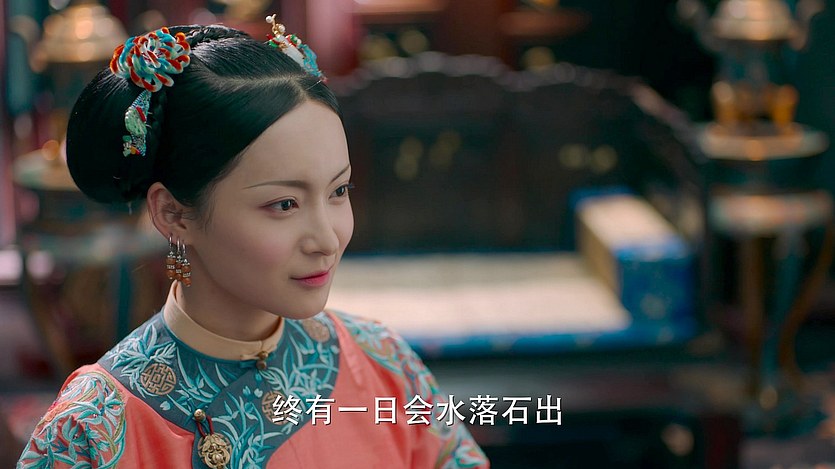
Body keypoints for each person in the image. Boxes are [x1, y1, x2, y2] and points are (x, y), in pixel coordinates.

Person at [18, 19, 489, 468]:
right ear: (173, 214)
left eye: (339, 191)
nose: (327, 239)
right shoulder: (92, 431)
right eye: (284, 204)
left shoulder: (381, 361)